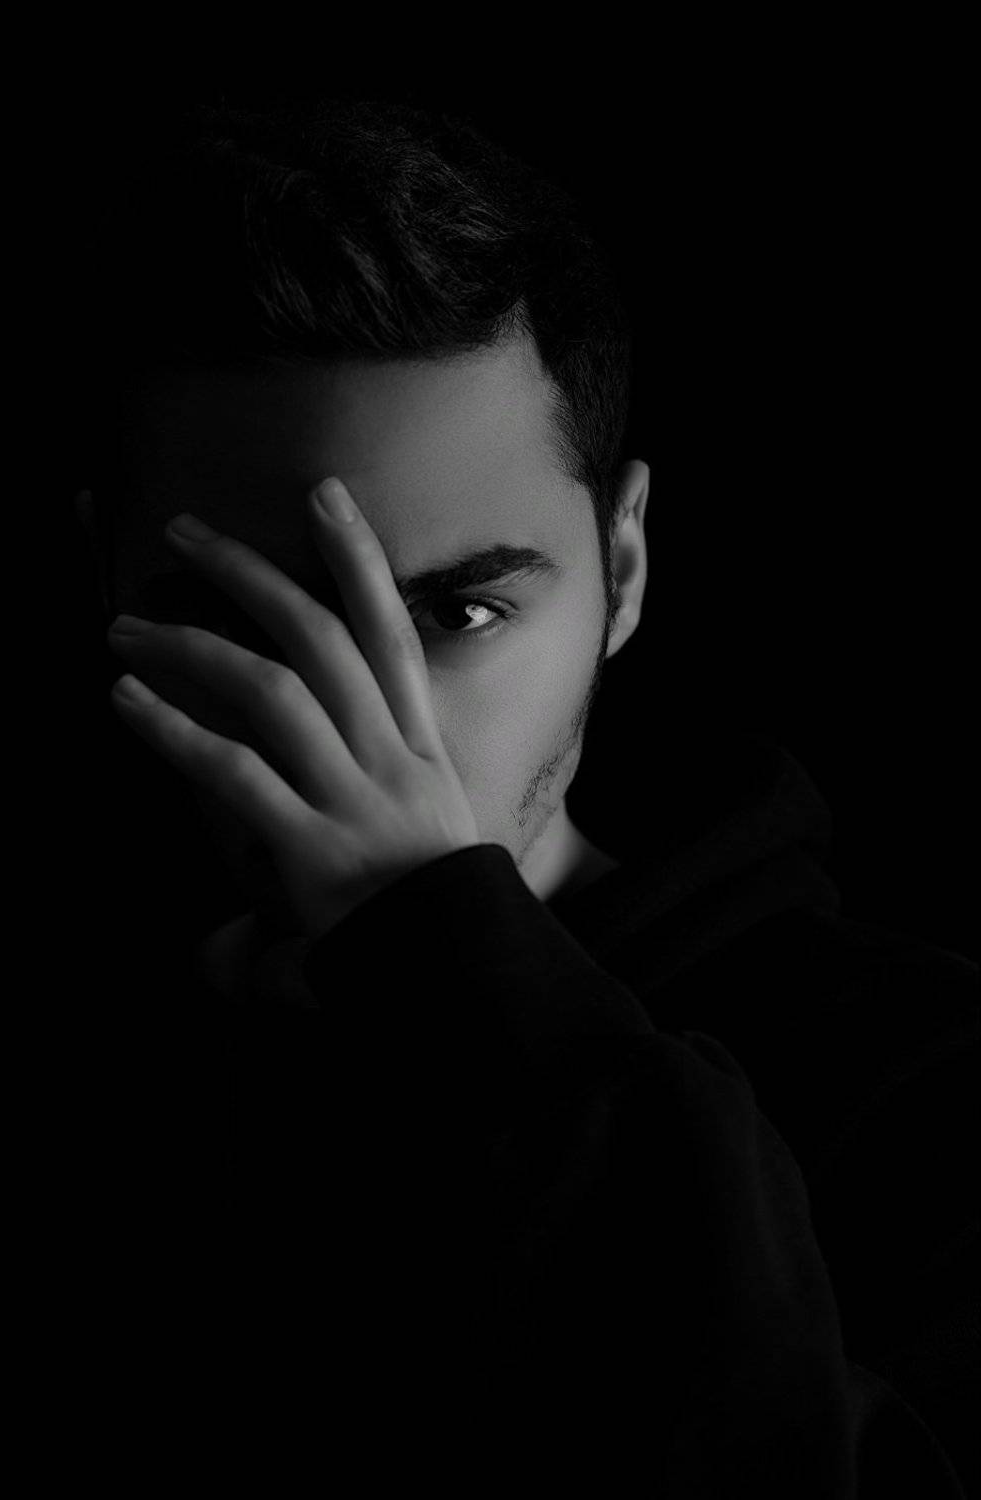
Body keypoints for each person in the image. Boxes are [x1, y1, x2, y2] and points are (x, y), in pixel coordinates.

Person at [62, 97, 977, 1493]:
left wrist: (449, 963)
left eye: (463, 612)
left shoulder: (919, 1087)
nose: (374, 722)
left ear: (624, 567)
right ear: (104, 582)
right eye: (251, 620)